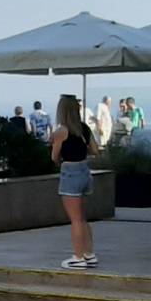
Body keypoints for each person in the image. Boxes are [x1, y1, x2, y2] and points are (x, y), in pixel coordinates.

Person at [50, 95, 99, 269]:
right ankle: (89, 253)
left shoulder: (61, 132)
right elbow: (94, 150)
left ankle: (77, 257)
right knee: (81, 217)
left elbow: (54, 158)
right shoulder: (84, 129)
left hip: (70, 173)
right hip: (85, 171)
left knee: (75, 219)